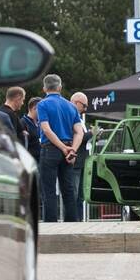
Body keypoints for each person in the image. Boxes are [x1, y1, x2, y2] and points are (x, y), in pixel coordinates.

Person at [36, 74, 84, 222]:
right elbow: (79, 131)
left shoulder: (42, 105)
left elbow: (46, 129)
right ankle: (72, 223)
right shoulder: (71, 106)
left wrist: (63, 148)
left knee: (49, 190)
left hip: (50, 149)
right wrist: (72, 150)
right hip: (69, 150)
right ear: (60, 87)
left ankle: (51, 224)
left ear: (44, 88)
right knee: (68, 189)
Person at [69, 92, 93, 221]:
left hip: (82, 161)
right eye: (84, 106)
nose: (85, 109)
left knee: (80, 195)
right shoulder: (71, 116)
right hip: (76, 161)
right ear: (76, 102)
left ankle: (78, 220)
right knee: (74, 193)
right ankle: (73, 219)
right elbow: (77, 137)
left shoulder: (78, 117)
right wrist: (91, 134)